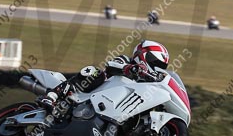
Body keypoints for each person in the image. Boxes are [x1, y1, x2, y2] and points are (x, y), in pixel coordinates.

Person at [38, 40, 170, 113]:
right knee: (94, 72)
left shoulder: (144, 82)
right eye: (154, 61)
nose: (155, 66)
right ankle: (52, 96)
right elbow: (111, 65)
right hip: (91, 93)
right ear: (143, 55)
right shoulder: (126, 60)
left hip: (109, 107)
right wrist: (129, 68)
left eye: (159, 65)